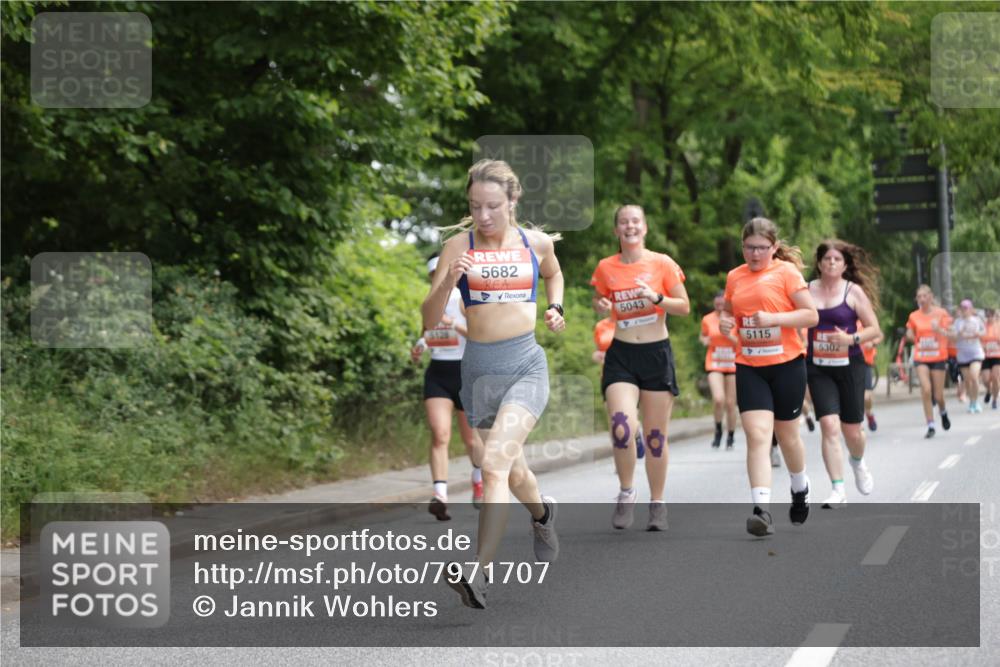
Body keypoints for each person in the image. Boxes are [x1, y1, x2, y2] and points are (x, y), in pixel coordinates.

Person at [422, 159, 564, 609]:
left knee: (494, 467)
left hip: (525, 365)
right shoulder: (456, 248)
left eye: (493, 207)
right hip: (478, 372)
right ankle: (542, 513)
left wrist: (556, 307)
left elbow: (554, 272)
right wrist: (449, 279)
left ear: (513, 201)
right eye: (475, 206)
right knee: (515, 471)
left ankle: (479, 573)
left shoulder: (533, 243)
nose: (483, 217)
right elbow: (428, 321)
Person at [591, 204, 690, 531]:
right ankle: (626, 491)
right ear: (616, 230)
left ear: (644, 228)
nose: (629, 226)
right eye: (623, 222)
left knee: (656, 437)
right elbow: (600, 299)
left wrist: (657, 298)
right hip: (621, 354)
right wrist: (601, 304)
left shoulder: (661, 263)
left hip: (656, 355)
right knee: (622, 425)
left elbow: (684, 307)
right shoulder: (606, 267)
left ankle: (657, 503)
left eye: (635, 221)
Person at [719, 217, 818, 537]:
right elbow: (730, 311)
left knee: (787, 436)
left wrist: (775, 318)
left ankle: (799, 486)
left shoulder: (787, 273)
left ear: (774, 247)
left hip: (787, 364)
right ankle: (761, 510)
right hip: (749, 365)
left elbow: (811, 315)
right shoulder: (735, 276)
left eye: (762, 248)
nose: (755, 254)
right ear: (742, 246)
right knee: (758, 436)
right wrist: (725, 324)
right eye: (749, 247)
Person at [804, 240, 881, 509]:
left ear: (845, 265)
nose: (832, 263)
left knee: (853, 431)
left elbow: (875, 329)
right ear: (819, 263)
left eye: (837, 259)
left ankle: (858, 463)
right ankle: (838, 489)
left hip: (850, 365)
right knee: (828, 425)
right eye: (827, 259)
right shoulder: (807, 290)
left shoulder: (853, 292)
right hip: (817, 366)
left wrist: (851, 339)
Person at [412, 253, 484, 520]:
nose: (438, 278)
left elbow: (479, 334)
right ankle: (440, 495)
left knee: (471, 439)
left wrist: (455, 323)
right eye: (433, 275)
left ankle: (478, 478)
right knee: (439, 433)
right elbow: (427, 334)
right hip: (438, 374)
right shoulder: (430, 302)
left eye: (441, 273)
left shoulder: (465, 299)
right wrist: (419, 347)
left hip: (465, 372)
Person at [594, 317, 645, 460]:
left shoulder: (632, 320)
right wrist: (597, 356)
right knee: (613, 418)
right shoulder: (600, 325)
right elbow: (598, 350)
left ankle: (636, 434)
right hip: (609, 375)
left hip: (631, 375)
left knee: (630, 416)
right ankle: (620, 457)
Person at [905, 285, 952, 438]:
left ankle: (943, 412)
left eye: (925, 296)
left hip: (938, 357)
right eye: (919, 297)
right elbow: (909, 333)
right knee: (925, 389)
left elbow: (950, 334)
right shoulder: (914, 316)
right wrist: (911, 336)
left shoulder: (941, 314)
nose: (922, 299)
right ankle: (930, 424)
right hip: (922, 357)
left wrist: (938, 329)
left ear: (931, 297)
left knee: (938, 396)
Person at [700, 291, 738, 449]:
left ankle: (730, 436)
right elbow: (702, 336)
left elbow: (739, 342)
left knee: (730, 403)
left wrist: (727, 334)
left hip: (732, 363)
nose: (719, 307)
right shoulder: (707, 319)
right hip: (714, 362)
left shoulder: (735, 319)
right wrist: (704, 340)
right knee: (718, 399)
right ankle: (717, 431)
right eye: (717, 305)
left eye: (722, 305)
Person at [949, 299, 986, 413]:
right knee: (968, 380)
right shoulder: (957, 322)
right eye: (963, 308)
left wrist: (978, 334)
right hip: (963, 354)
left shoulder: (977, 320)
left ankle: (976, 402)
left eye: (966, 308)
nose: (964, 310)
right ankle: (972, 402)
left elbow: (984, 332)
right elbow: (953, 338)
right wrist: (959, 333)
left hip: (975, 352)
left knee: (974, 377)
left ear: (971, 309)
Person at [860, 320, 884, 431]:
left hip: (865, 363)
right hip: (849, 363)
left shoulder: (866, 318)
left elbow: (880, 335)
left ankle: (869, 413)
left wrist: (872, 343)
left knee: (866, 396)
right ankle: (857, 422)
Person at [981, 308, 1000, 410]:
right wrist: (982, 345)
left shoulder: (998, 326)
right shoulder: (983, 327)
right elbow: (979, 339)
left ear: (993, 316)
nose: (989, 318)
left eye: (990, 316)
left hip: (997, 355)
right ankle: (988, 390)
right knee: (985, 379)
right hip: (985, 356)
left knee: (995, 378)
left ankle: (994, 400)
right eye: (987, 316)